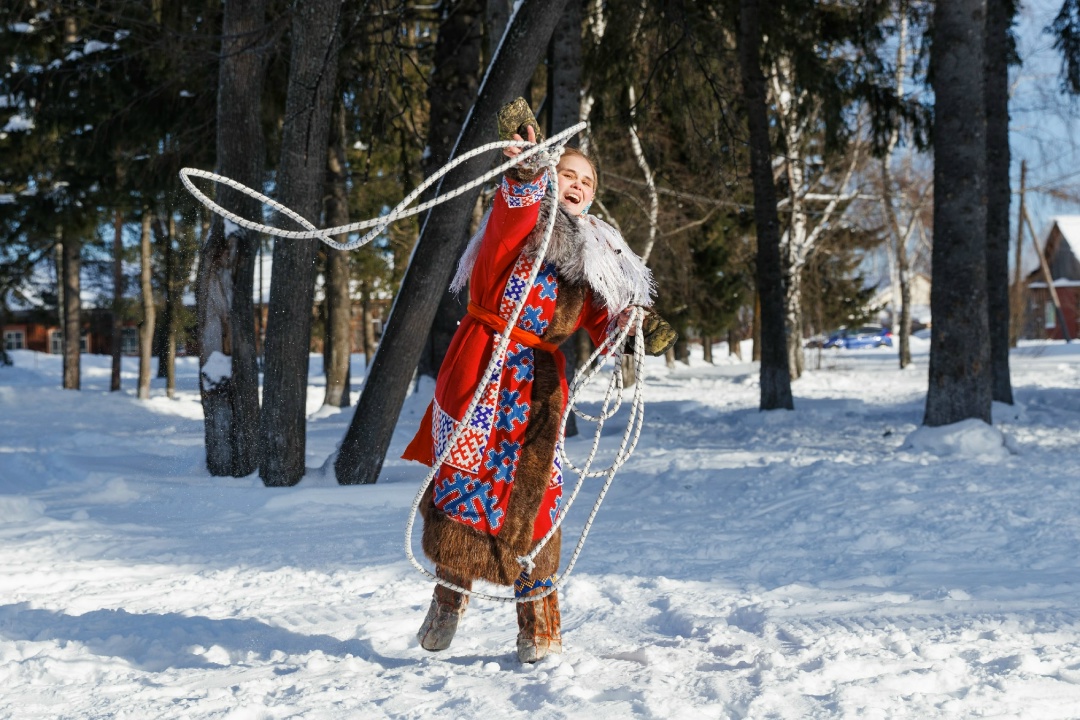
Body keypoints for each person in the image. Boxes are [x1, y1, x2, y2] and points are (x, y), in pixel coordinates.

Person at [402, 99, 675, 663]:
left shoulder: (598, 247)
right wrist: (527, 171)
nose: (576, 185)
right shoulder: (521, 221)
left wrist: (633, 329)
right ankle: (448, 601)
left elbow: (605, 313)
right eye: (567, 174)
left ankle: (539, 624)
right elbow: (511, 218)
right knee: (466, 488)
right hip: (483, 368)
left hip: (540, 387)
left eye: (586, 180)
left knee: (538, 498)